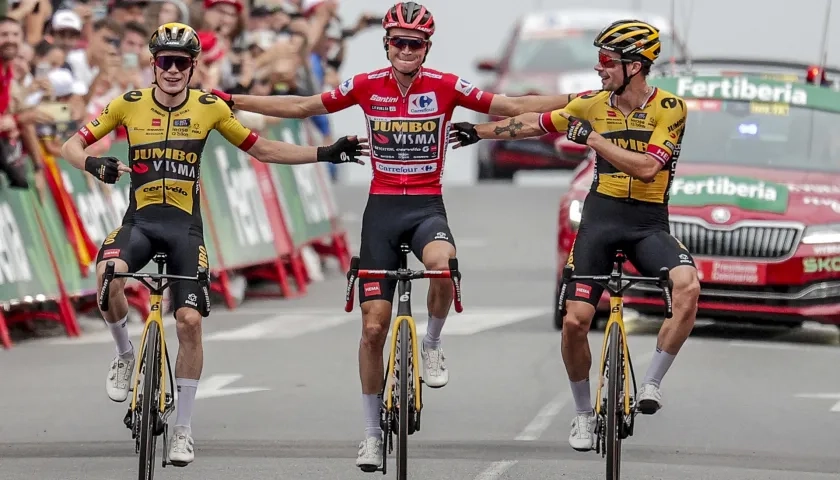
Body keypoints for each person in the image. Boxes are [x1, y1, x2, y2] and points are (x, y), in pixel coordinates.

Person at [209, 1, 587, 470]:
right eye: (398, 42)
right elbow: (304, 105)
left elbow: (513, 107)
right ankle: (370, 433)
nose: (406, 50)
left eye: (416, 43)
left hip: (426, 207)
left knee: (443, 267)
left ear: (426, 48)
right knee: (372, 329)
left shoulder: (446, 87)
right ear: (387, 44)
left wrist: (582, 100)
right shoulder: (366, 86)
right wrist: (235, 100)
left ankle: (431, 344)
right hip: (381, 211)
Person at [60, 22, 366, 467]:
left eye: (181, 63)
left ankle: (182, 429)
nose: (171, 70)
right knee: (108, 274)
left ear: (192, 67)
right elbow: (69, 144)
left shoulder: (209, 109)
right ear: (153, 63)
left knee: (188, 321)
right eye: (164, 61)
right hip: (140, 224)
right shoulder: (127, 105)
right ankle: (125, 355)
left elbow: (263, 150)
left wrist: (324, 152)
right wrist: (93, 164)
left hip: (185, 230)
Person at [449, 19, 701, 452]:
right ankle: (583, 414)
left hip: (648, 224)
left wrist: (595, 140)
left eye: (608, 61)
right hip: (600, 222)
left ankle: (653, 383)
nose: (599, 68)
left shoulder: (670, 109)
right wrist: (478, 133)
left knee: (688, 288)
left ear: (636, 67)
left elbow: (646, 168)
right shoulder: (591, 103)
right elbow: (535, 123)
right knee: (574, 322)